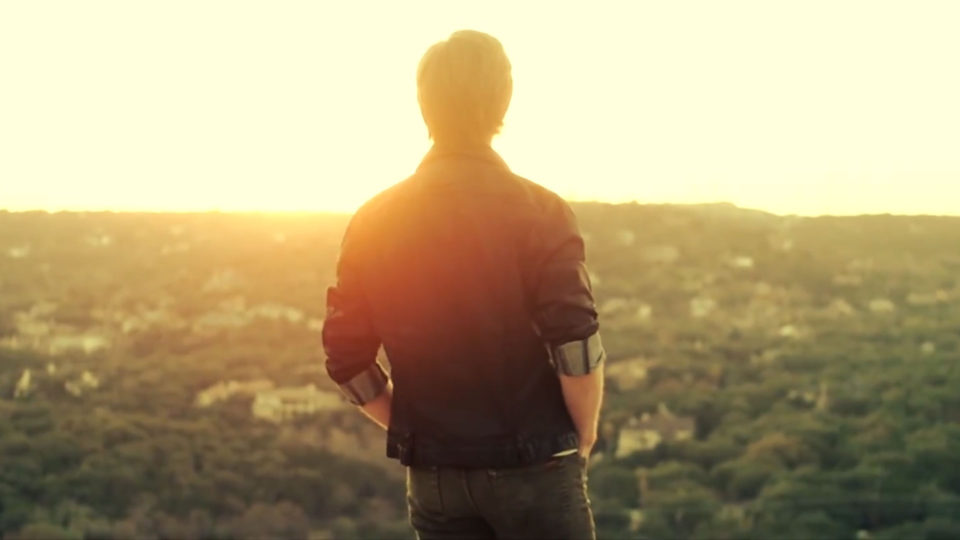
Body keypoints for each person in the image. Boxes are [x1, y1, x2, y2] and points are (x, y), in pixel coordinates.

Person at [322, 29, 605, 540]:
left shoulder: (373, 220)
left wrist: (418, 430)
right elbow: (575, 343)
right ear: (503, 100)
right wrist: (581, 436)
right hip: (536, 467)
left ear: (424, 105)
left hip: (435, 480)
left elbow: (346, 358)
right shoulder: (539, 211)